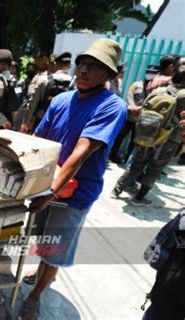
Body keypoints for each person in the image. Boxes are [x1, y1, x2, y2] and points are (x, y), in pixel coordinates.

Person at [18, 39, 127, 320]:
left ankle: (34, 297)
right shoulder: (61, 100)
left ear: (111, 75)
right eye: (83, 63)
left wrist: (50, 193)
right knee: (41, 238)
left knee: (55, 250)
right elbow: (37, 142)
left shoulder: (112, 107)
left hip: (74, 193)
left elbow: (81, 153)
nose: (85, 70)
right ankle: (41, 271)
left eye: (96, 67)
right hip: (47, 185)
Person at [112, 59, 185, 206]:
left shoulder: (160, 90)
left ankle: (117, 190)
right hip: (169, 138)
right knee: (155, 168)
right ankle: (139, 198)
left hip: (149, 133)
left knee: (137, 163)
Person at [109, 65, 159, 164]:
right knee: (120, 136)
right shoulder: (136, 85)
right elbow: (129, 95)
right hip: (130, 116)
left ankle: (129, 159)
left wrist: (141, 109)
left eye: (153, 73)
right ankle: (113, 155)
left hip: (143, 119)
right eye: (149, 72)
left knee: (135, 140)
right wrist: (133, 107)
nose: (150, 75)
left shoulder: (155, 88)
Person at [19, 52, 73, 133]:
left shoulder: (44, 80)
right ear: (70, 66)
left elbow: (32, 103)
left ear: (55, 64)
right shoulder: (73, 83)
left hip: (41, 121)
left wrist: (26, 122)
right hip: (61, 123)